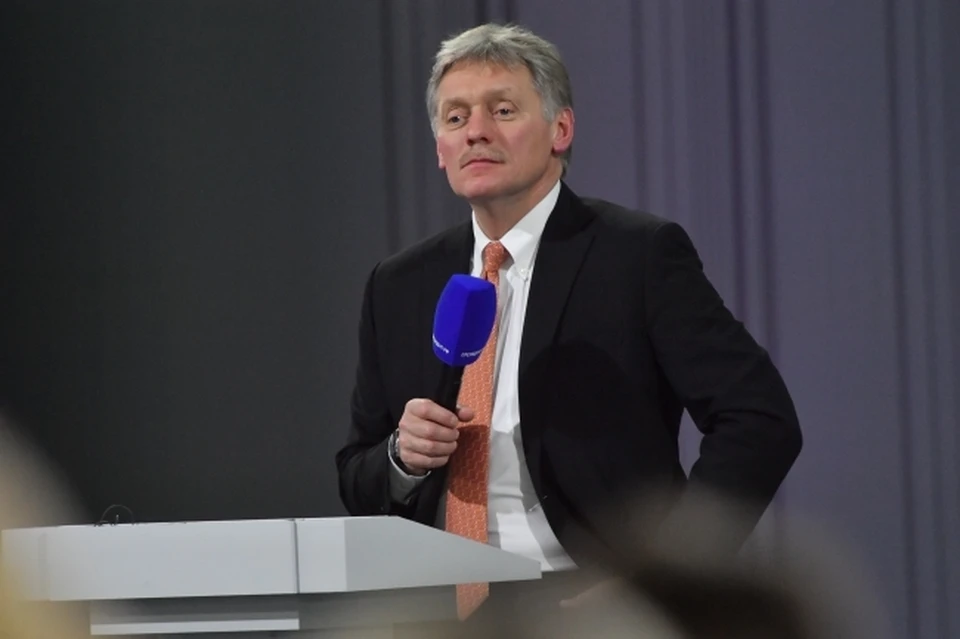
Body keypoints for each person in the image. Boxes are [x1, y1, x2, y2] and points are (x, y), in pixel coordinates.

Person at [335, 22, 802, 629]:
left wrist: (661, 580)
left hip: (585, 604)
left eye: (503, 110)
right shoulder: (399, 284)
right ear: (440, 150)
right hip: (436, 611)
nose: (476, 130)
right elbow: (358, 475)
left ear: (561, 129)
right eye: (455, 117)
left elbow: (760, 420)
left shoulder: (635, 256)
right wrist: (402, 457)